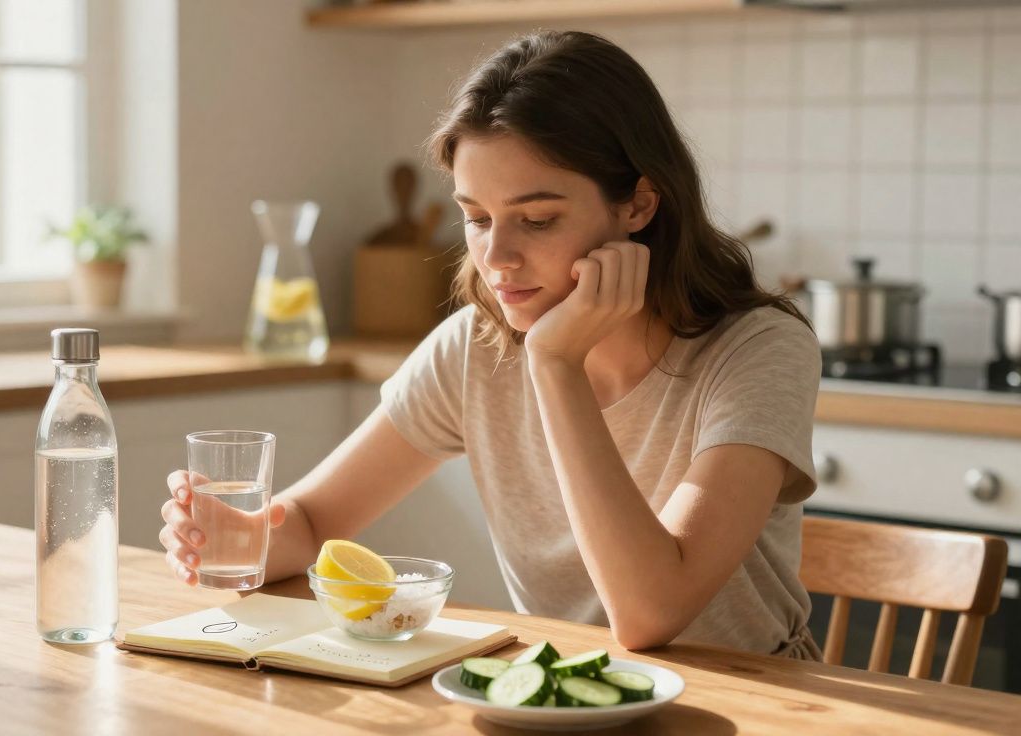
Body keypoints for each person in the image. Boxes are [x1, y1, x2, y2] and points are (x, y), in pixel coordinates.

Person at [159, 30, 822, 659]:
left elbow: (651, 614)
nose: (496, 256)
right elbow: (308, 522)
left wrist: (556, 364)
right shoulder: (475, 348)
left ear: (639, 206)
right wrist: (237, 536)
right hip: (551, 693)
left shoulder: (758, 351)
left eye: (536, 219)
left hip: (752, 703)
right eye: (476, 217)